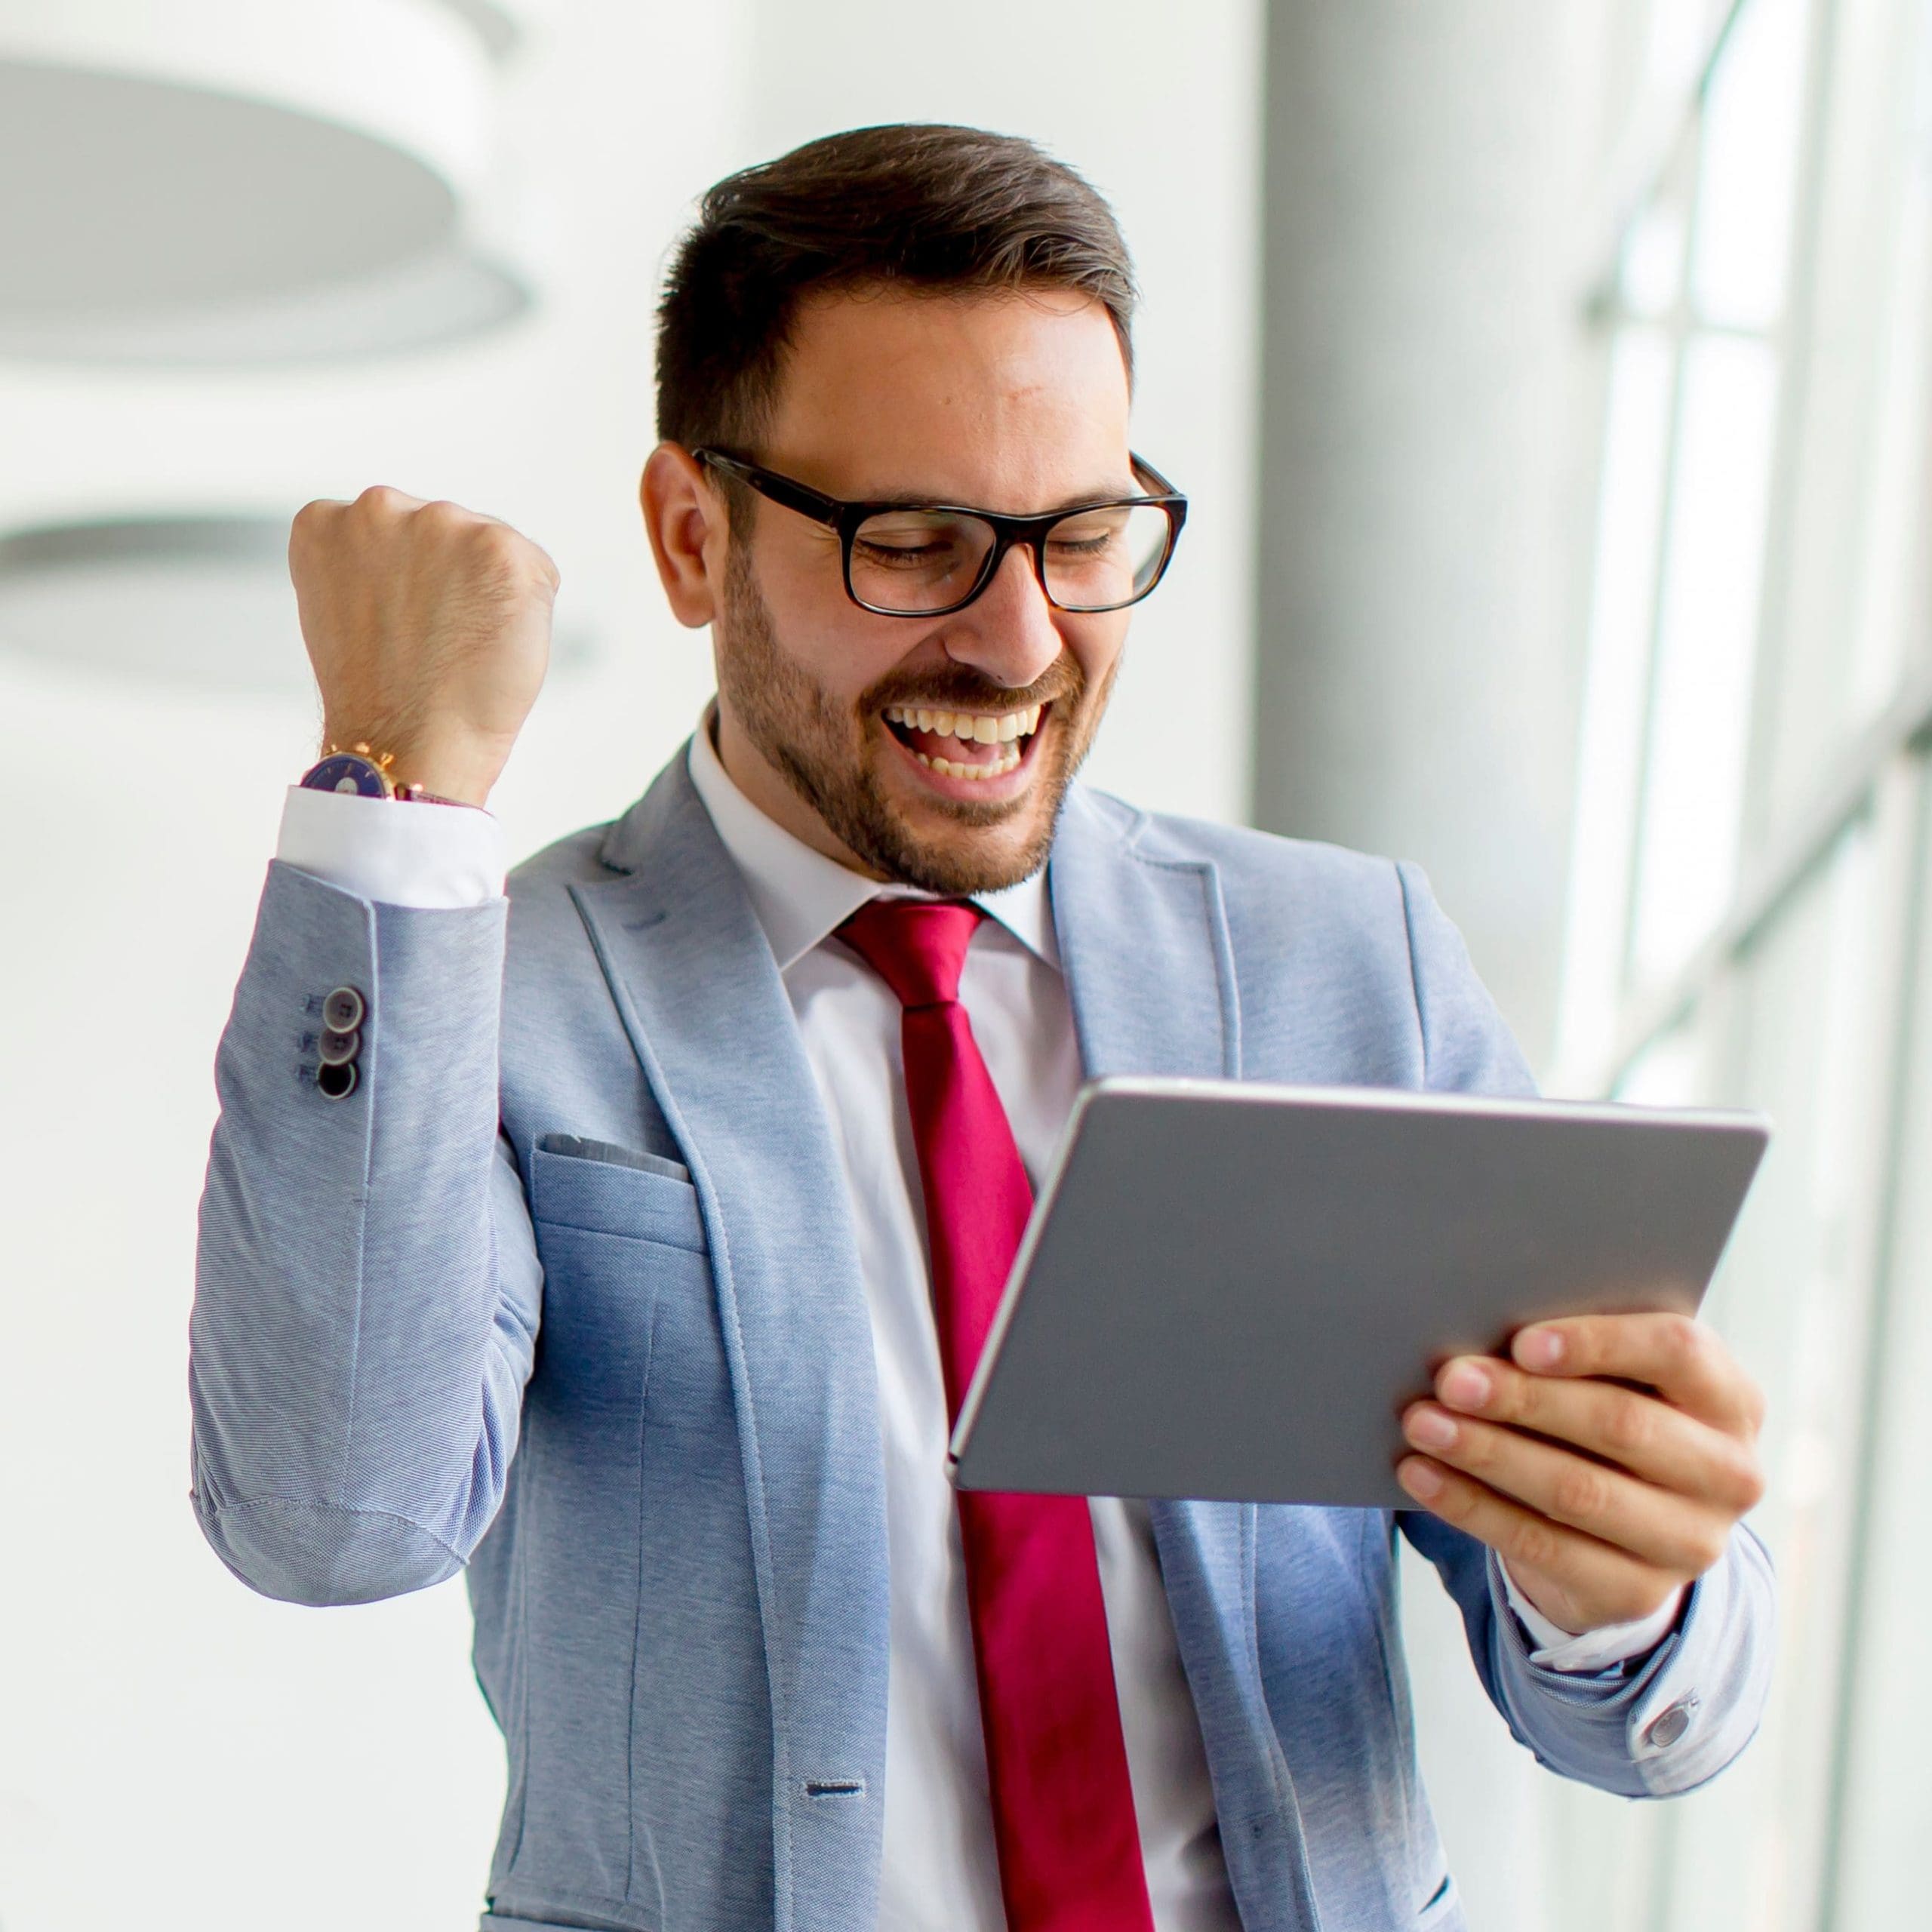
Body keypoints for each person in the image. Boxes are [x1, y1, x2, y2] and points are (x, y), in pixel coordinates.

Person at [190, 124, 1774, 1932]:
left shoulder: (1345, 964)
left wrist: (1625, 1576)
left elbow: (1652, 1714)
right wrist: (400, 796)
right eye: (917, 543)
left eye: (1082, 534)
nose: (1020, 641)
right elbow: (330, 1515)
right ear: (693, 535)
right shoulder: (501, 984)